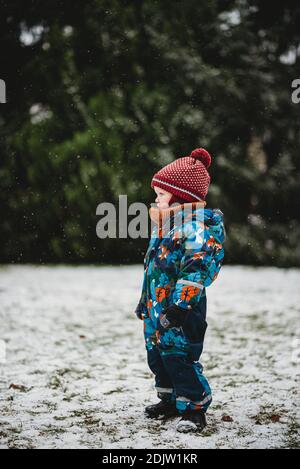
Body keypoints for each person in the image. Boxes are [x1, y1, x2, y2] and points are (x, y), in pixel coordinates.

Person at [135, 148, 226, 433]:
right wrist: (144, 302)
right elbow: (152, 271)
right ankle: (171, 400)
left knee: (179, 357)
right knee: (158, 355)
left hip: (182, 311)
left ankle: (195, 407)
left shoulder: (195, 231)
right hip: (157, 309)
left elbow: (195, 272)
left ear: (181, 197)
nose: (155, 200)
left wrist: (181, 307)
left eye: (161, 195)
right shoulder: (163, 228)